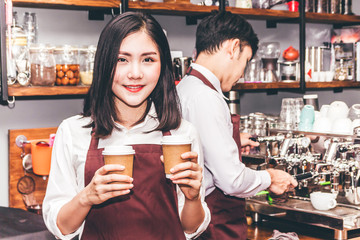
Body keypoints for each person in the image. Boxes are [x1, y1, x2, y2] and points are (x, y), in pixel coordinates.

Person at [42, 12, 210, 240]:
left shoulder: (182, 134)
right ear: (104, 64)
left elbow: (190, 228)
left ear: (163, 67)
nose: (135, 73)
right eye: (122, 59)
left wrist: (192, 198)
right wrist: (87, 197)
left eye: (148, 59)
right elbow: (62, 227)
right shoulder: (73, 132)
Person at [176, 11, 298, 239]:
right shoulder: (205, 97)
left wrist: (231, 140)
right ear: (233, 48)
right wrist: (270, 177)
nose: (242, 73)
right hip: (213, 222)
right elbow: (231, 180)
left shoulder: (186, 87)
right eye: (246, 61)